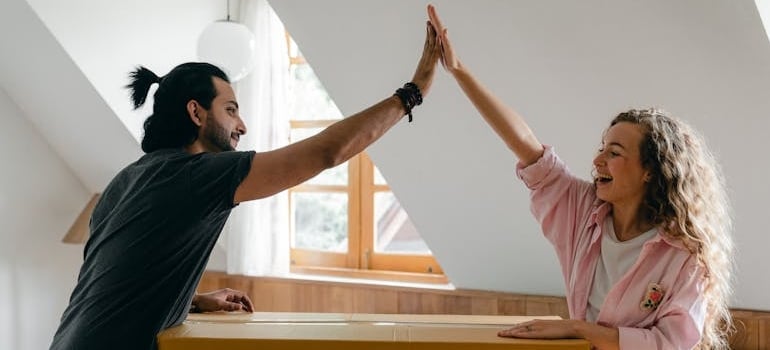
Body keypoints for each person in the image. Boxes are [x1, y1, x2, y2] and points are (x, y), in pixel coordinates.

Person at [49, 21, 440, 350]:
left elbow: (117, 277)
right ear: (196, 112)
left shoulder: (129, 177)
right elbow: (328, 152)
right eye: (231, 109)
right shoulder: (200, 174)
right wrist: (413, 92)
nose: (242, 125)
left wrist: (193, 299)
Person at [427, 5, 734, 350]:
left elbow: (673, 344)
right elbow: (525, 145)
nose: (598, 160)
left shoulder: (684, 254)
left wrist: (581, 330)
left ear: (651, 171)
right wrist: (458, 70)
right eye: (602, 148)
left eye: (614, 153)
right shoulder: (581, 209)